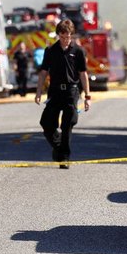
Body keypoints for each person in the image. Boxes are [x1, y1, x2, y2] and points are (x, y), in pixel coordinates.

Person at [34, 20, 91, 169]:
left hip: (71, 92)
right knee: (46, 123)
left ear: (71, 35)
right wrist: (39, 92)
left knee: (68, 124)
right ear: (58, 35)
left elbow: (83, 74)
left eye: (68, 37)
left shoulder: (78, 51)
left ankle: (64, 158)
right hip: (55, 91)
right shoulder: (50, 51)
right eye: (63, 36)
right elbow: (43, 73)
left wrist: (88, 96)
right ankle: (59, 148)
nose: (65, 40)